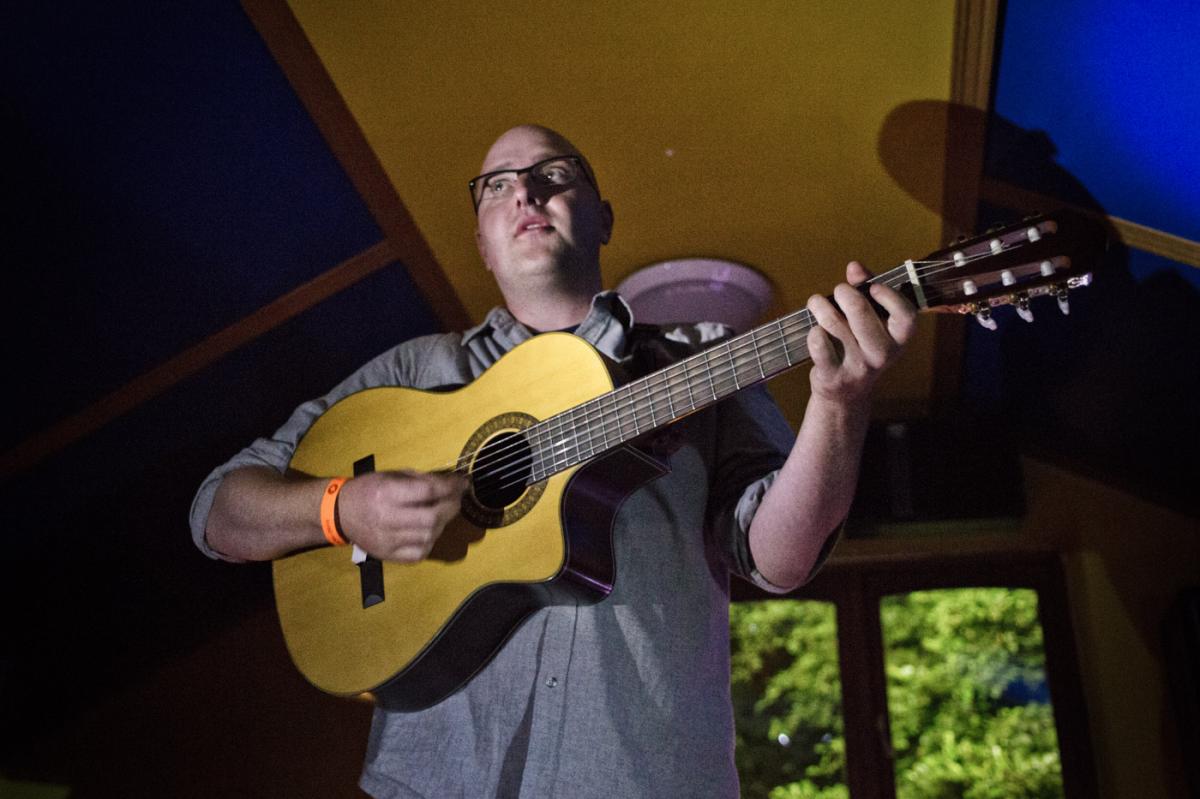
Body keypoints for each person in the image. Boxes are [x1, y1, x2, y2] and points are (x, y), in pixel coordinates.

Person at [190, 124, 916, 797]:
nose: (526, 193)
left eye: (552, 173)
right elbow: (218, 511)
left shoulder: (706, 356)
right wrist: (342, 507)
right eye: (497, 185)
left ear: (603, 217)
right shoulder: (412, 370)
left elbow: (778, 558)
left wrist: (839, 404)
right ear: (480, 238)